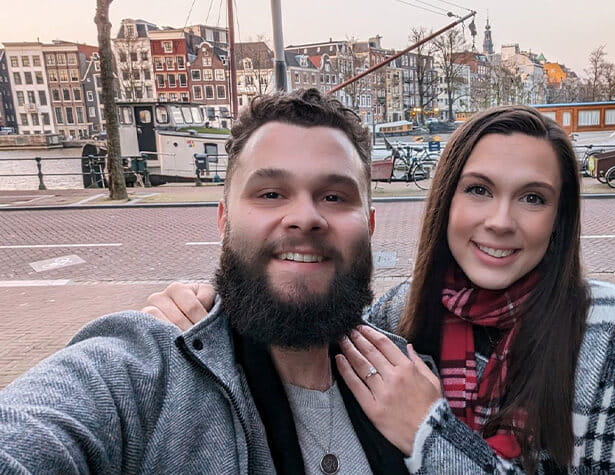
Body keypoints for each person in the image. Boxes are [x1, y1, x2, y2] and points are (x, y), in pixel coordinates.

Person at [146, 105, 615, 472]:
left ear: (559, 220)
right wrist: (205, 312)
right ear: (446, 202)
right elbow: (292, 325)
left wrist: (430, 433)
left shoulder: (612, 326)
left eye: (533, 199)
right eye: (479, 190)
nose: (500, 221)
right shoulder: (394, 316)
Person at [0, 88, 439, 473]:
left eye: (334, 196)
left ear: (370, 224)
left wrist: (434, 435)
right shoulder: (145, 373)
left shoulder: (413, 375)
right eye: (271, 193)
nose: (305, 217)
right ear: (224, 220)